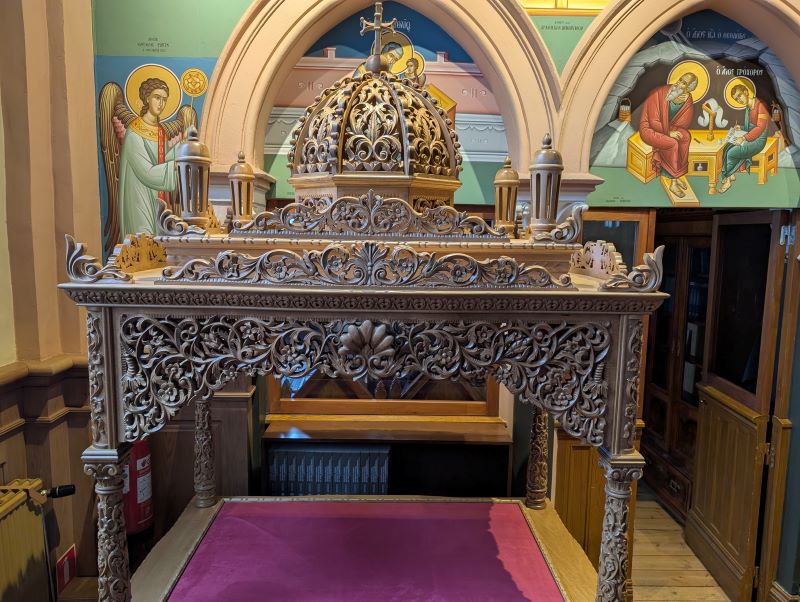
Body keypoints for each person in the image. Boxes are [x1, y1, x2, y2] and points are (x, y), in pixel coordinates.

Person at [117, 78, 179, 235]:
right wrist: (174, 165)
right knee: (144, 240)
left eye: (164, 99)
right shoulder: (134, 134)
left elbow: (161, 160)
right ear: (146, 98)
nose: (161, 103)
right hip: (139, 196)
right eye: (157, 98)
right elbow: (146, 172)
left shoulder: (160, 131)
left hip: (157, 196)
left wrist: (181, 149)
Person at [638, 72, 698, 198]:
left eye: (684, 83)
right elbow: (653, 122)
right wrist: (669, 132)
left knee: (685, 136)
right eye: (680, 79)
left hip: (668, 128)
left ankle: (677, 173)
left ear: (688, 88)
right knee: (672, 143)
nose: (679, 83)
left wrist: (672, 130)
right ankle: (673, 182)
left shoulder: (687, 98)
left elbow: (684, 123)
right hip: (649, 129)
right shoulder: (658, 93)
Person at [717, 85, 769, 193]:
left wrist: (744, 137)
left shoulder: (761, 105)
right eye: (736, 99)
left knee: (731, 153)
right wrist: (740, 127)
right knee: (727, 148)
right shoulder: (748, 107)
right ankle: (730, 174)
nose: (739, 100)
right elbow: (750, 127)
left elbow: (760, 128)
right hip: (750, 136)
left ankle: (727, 180)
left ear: (746, 92)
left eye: (739, 96)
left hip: (759, 140)